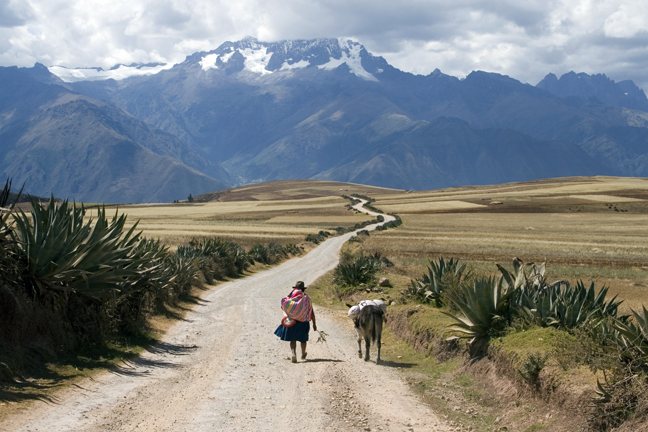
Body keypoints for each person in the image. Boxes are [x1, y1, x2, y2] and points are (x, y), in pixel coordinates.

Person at [274, 281, 317, 363]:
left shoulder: (290, 298)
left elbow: (284, 306)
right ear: (303, 289)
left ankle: (293, 354)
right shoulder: (306, 299)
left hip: (292, 321)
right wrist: (314, 324)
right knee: (303, 339)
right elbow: (311, 311)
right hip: (303, 323)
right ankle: (303, 353)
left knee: (292, 339)